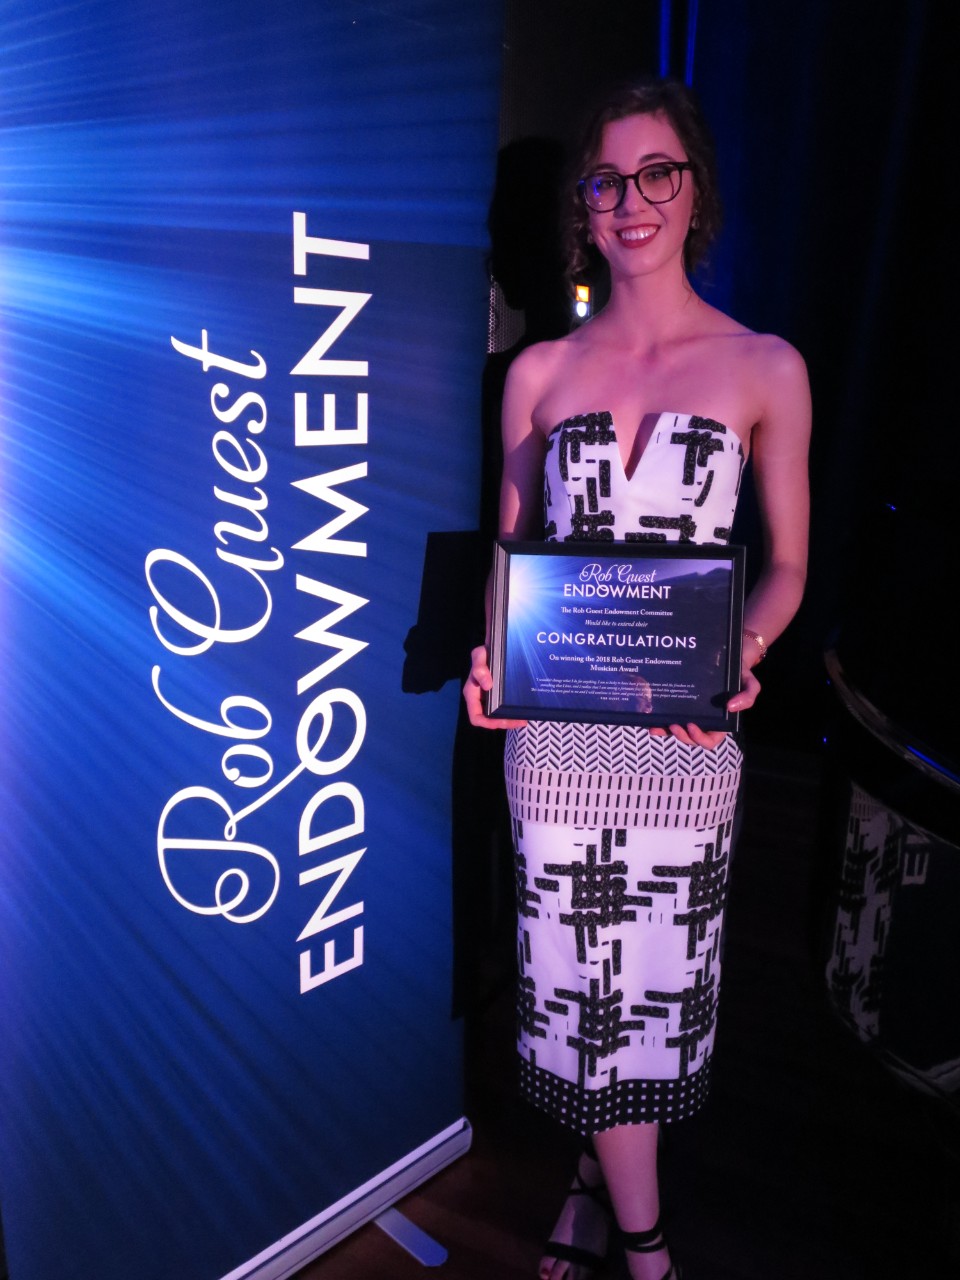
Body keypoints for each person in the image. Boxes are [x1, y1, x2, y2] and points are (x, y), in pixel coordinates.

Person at [463, 75, 811, 1280]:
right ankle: (648, 1250)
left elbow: (788, 566)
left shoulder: (765, 365)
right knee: (581, 1000)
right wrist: (491, 655)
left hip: (682, 744)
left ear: (695, 189)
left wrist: (740, 653)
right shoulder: (539, 374)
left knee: (649, 1004)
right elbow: (513, 558)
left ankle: (594, 1184)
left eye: (657, 172)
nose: (632, 199)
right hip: (559, 744)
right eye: (607, 179)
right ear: (584, 206)